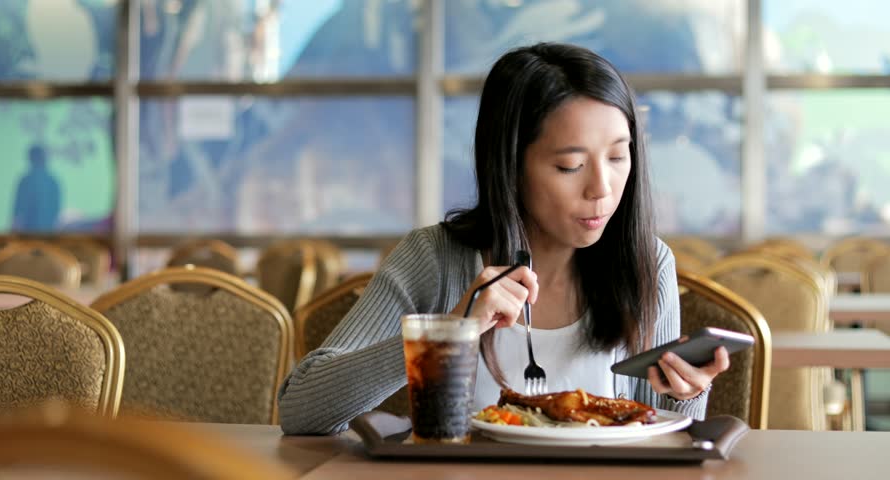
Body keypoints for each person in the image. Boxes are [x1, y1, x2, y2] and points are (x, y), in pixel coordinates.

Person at [277, 42, 729, 434]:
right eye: (570, 166)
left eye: (617, 157)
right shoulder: (435, 258)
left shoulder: (647, 261)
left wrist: (687, 391)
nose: (602, 189)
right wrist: (449, 333)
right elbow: (300, 410)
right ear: (509, 165)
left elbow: (668, 436)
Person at [12, 144, 62, 232]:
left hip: (33, 235)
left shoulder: (25, 181)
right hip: (42, 234)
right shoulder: (53, 181)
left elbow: (17, 214)